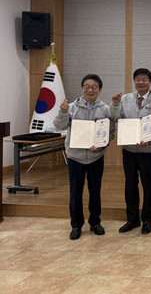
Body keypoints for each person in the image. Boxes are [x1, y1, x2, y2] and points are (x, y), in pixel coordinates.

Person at [54, 74, 113, 240]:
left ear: (99, 90)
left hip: (96, 157)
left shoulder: (105, 109)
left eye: (94, 87)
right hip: (75, 157)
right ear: (82, 89)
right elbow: (58, 126)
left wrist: (102, 144)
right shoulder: (71, 107)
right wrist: (62, 111)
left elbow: (110, 132)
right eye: (87, 86)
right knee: (75, 192)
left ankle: (95, 222)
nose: (90, 90)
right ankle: (76, 225)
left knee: (95, 191)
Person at [111, 68, 151, 235]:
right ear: (134, 81)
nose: (141, 82)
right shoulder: (125, 99)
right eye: (138, 79)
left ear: (150, 82)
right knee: (130, 184)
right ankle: (132, 219)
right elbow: (115, 118)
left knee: (148, 185)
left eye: (144, 79)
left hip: (148, 150)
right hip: (128, 149)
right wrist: (115, 104)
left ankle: (147, 220)